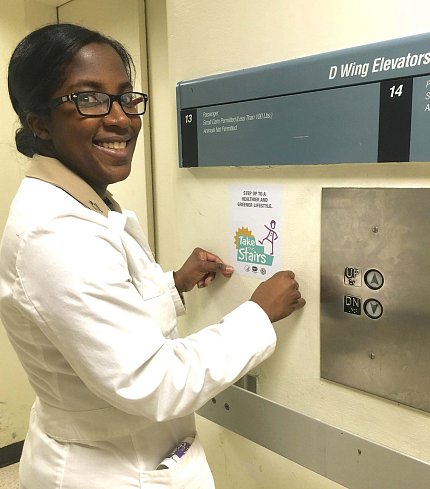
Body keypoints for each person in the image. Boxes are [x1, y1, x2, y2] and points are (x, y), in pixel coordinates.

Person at [0, 23, 305, 489]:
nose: (120, 117)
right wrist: (257, 314)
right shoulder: (57, 233)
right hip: (108, 469)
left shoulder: (78, 201)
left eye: (126, 96)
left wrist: (173, 285)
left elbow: (99, 316)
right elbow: (153, 382)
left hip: (122, 450)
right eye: (88, 98)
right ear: (40, 122)